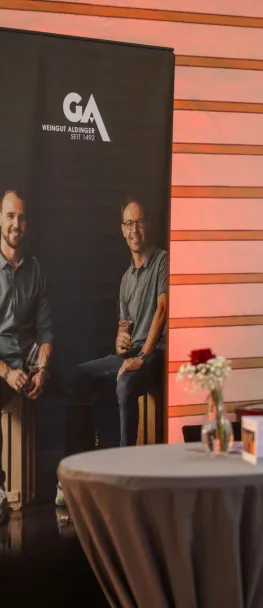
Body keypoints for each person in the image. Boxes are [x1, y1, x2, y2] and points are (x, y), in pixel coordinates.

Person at [74, 198, 168, 447]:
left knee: (125, 383)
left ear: (147, 224)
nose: (134, 230)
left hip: (156, 352)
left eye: (139, 222)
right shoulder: (126, 279)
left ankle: (126, 461)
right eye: (129, 224)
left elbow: (162, 310)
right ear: (122, 230)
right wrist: (120, 342)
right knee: (80, 375)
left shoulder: (163, 261)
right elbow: (123, 329)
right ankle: (87, 458)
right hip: (134, 353)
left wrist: (143, 356)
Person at [0, 190, 54, 489]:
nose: (15, 224)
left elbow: (46, 330)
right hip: (1, 365)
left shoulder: (36, 270)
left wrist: (42, 370)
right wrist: (7, 373)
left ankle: (66, 484)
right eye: (10, 216)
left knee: (78, 383)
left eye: (21, 217)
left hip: (29, 361)